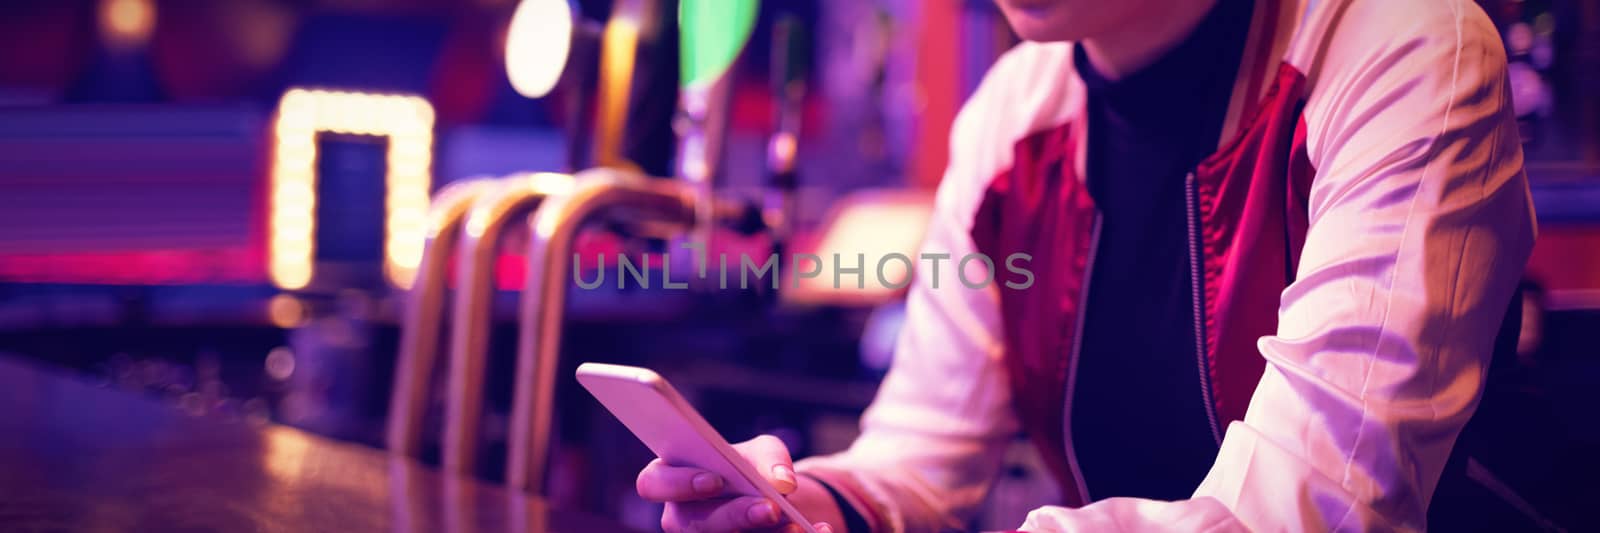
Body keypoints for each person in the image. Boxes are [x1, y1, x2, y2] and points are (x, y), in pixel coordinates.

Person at [638, 0, 1537, 531]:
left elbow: (1311, 506)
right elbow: (921, 455)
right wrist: (803, 504)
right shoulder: (1011, 117)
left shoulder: (1408, 51)